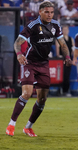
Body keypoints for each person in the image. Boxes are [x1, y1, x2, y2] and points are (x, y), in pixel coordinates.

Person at [5, 1, 71, 137]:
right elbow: (18, 42)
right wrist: (19, 54)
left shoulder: (55, 25)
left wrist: (67, 57)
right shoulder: (33, 25)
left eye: (52, 12)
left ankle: (28, 127)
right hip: (29, 62)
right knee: (27, 93)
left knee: (42, 99)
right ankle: (11, 124)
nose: (49, 15)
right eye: (47, 12)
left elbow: (63, 44)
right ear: (40, 12)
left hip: (44, 64)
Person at [55, 25, 74, 95]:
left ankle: (66, 90)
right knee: (60, 75)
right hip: (61, 59)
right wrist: (59, 57)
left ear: (68, 31)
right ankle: (60, 90)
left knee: (67, 75)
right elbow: (57, 48)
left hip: (68, 59)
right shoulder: (59, 39)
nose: (65, 31)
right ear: (62, 31)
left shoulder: (71, 39)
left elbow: (73, 49)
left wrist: (72, 57)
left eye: (66, 29)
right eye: (64, 29)